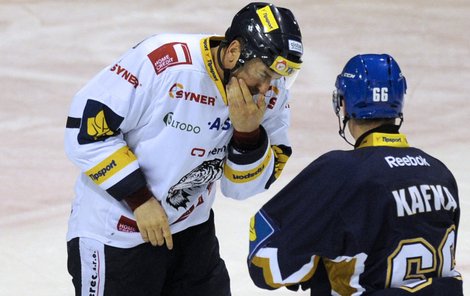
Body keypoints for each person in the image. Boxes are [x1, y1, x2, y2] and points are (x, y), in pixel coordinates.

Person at [64, 2, 303, 296]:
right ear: (233, 53)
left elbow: (239, 190)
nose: (269, 88)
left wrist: (248, 134)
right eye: (264, 74)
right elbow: (85, 130)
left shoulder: (270, 98)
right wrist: (140, 199)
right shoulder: (163, 62)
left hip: (191, 232)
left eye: (278, 77)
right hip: (116, 232)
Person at [247, 54, 463, 295]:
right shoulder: (440, 174)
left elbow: (265, 264)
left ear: (343, 103)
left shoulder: (339, 172)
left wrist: (315, 262)